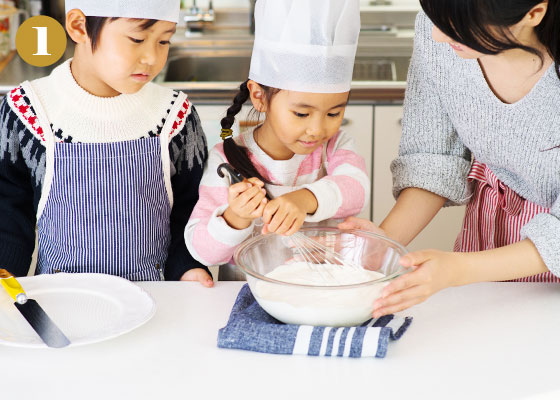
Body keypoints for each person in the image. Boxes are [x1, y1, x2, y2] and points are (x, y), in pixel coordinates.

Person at [340, 0, 560, 317]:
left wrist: (457, 270)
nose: (438, 36)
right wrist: (382, 244)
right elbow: (433, 158)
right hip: (488, 227)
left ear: (533, 14)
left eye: (459, 28)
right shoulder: (443, 29)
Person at [0, 0, 213, 286]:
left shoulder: (176, 115)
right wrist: (5, 275)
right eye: (137, 39)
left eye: (164, 41)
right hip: (61, 300)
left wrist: (189, 267)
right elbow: (8, 213)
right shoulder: (27, 111)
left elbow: (192, 209)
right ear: (79, 26)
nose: (152, 57)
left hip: (157, 297)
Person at [185, 0, 370, 278]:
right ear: (259, 97)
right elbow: (202, 251)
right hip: (248, 295)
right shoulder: (227, 159)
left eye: (334, 113)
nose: (317, 129)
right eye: (301, 113)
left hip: (318, 287)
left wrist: (304, 199)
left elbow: (356, 190)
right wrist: (236, 217)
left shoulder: (335, 146)